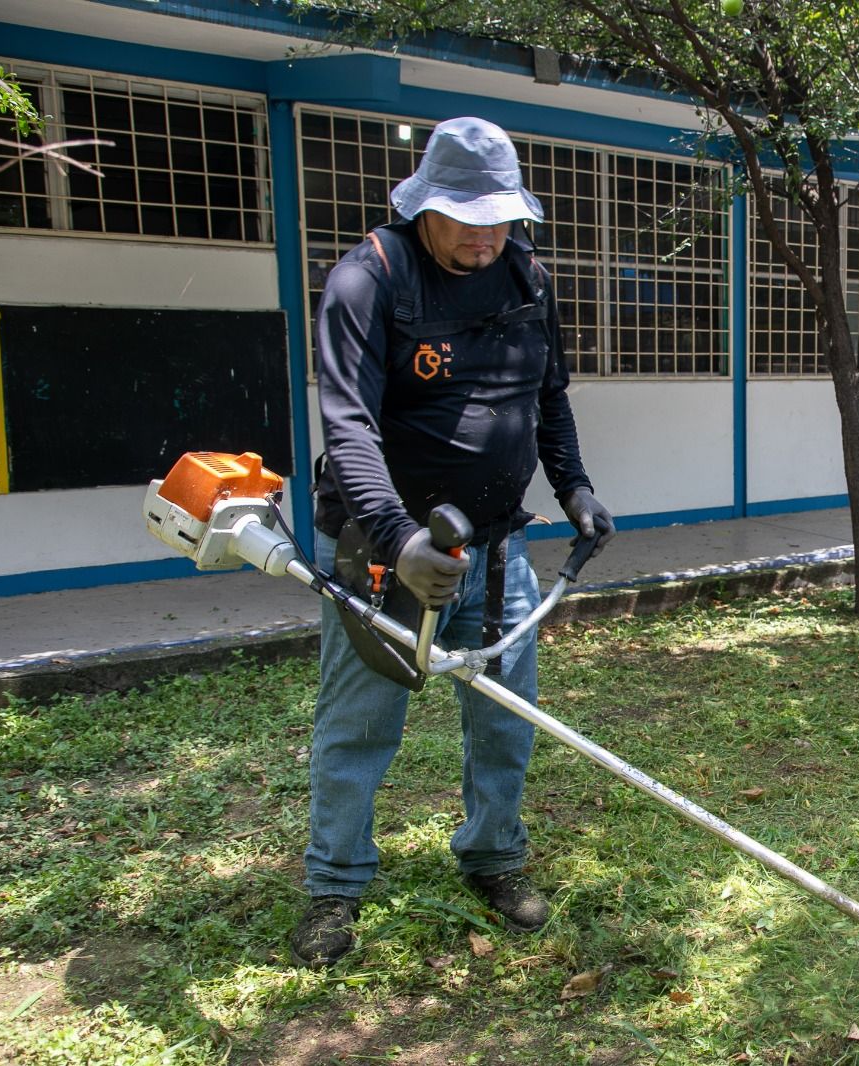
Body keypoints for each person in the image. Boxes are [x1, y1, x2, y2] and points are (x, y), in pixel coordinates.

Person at [290, 117, 614, 969]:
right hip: (385, 554)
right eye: (467, 216)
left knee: (507, 721)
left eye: (499, 215)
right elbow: (349, 427)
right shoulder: (370, 280)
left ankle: (494, 856)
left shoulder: (526, 278)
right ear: (426, 202)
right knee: (360, 726)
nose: (484, 233)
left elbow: (547, 399)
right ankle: (335, 886)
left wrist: (573, 485)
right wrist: (399, 542)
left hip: (498, 551)